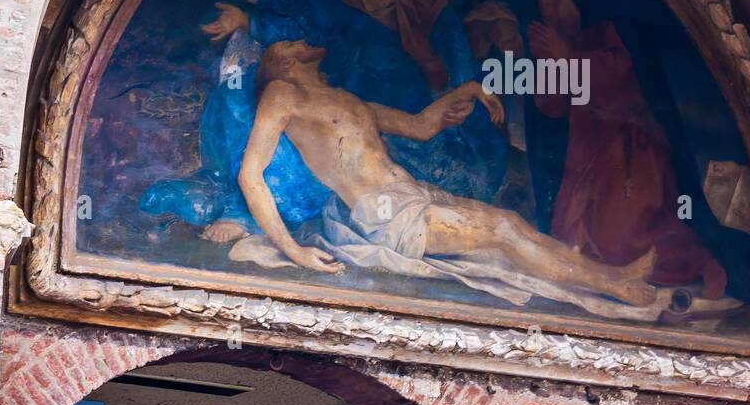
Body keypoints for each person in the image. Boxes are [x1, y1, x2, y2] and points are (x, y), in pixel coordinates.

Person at [141, 0, 506, 242]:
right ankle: (249, 216)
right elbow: (305, 34)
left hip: (411, 87)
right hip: (359, 85)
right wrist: (249, 22)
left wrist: (465, 84)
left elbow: (449, 34)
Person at [238, 39, 661, 317]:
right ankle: (612, 285)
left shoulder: (349, 101)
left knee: (511, 226)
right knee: (503, 228)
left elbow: (421, 126)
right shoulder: (284, 94)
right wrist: (293, 252)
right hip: (385, 214)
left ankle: (614, 275)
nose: (302, 39)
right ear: (286, 62)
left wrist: (471, 89)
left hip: (412, 194)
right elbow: (250, 174)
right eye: (291, 42)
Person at [525, 0, 729, 300]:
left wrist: (567, 55)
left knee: (623, 234)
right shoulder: (556, 33)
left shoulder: (608, 28)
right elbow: (551, 107)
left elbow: (621, 78)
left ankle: (699, 260)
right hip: (585, 156)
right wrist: (550, 61)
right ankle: (607, 288)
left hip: (630, 151)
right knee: (572, 237)